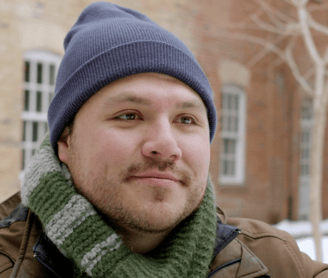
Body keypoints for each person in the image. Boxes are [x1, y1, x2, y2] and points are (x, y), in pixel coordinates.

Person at [0, 2, 327, 277]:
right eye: (129, 115)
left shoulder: (277, 263)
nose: (166, 146)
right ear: (65, 142)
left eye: (186, 120)